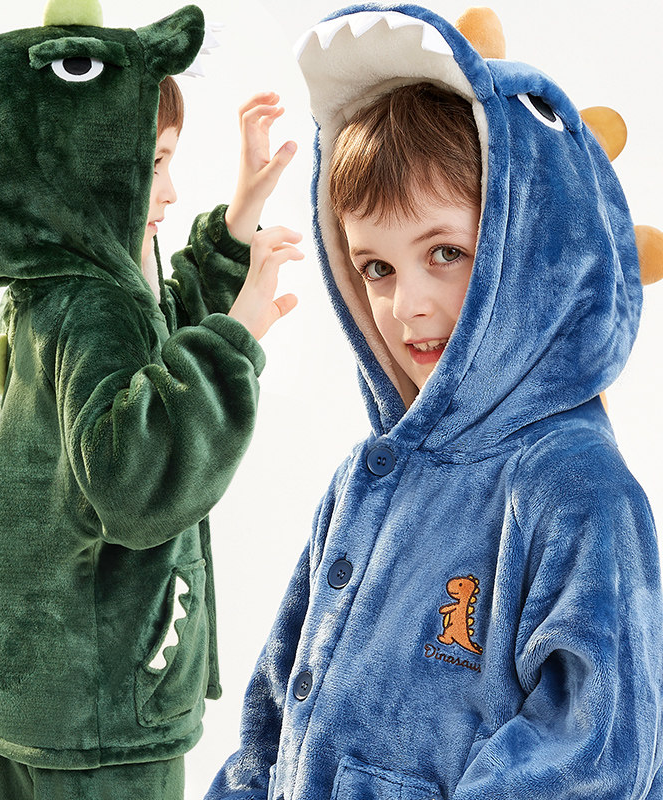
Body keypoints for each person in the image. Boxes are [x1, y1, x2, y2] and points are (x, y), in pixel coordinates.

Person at [205, 5, 663, 800]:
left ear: (525, 251)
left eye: (445, 252)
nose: (405, 305)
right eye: (376, 268)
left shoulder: (576, 489)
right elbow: (273, 721)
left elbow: (591, 757)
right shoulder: (363, 482)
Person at [0, 5, 301, 800]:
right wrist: (236, 339)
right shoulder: (98, 307)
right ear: (87, 170)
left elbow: (151, 355)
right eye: (154, 163)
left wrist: (238, 219)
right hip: (107, 716)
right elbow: (135, 480)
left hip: (34, 698)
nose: (170, 190)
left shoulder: (56, 292)